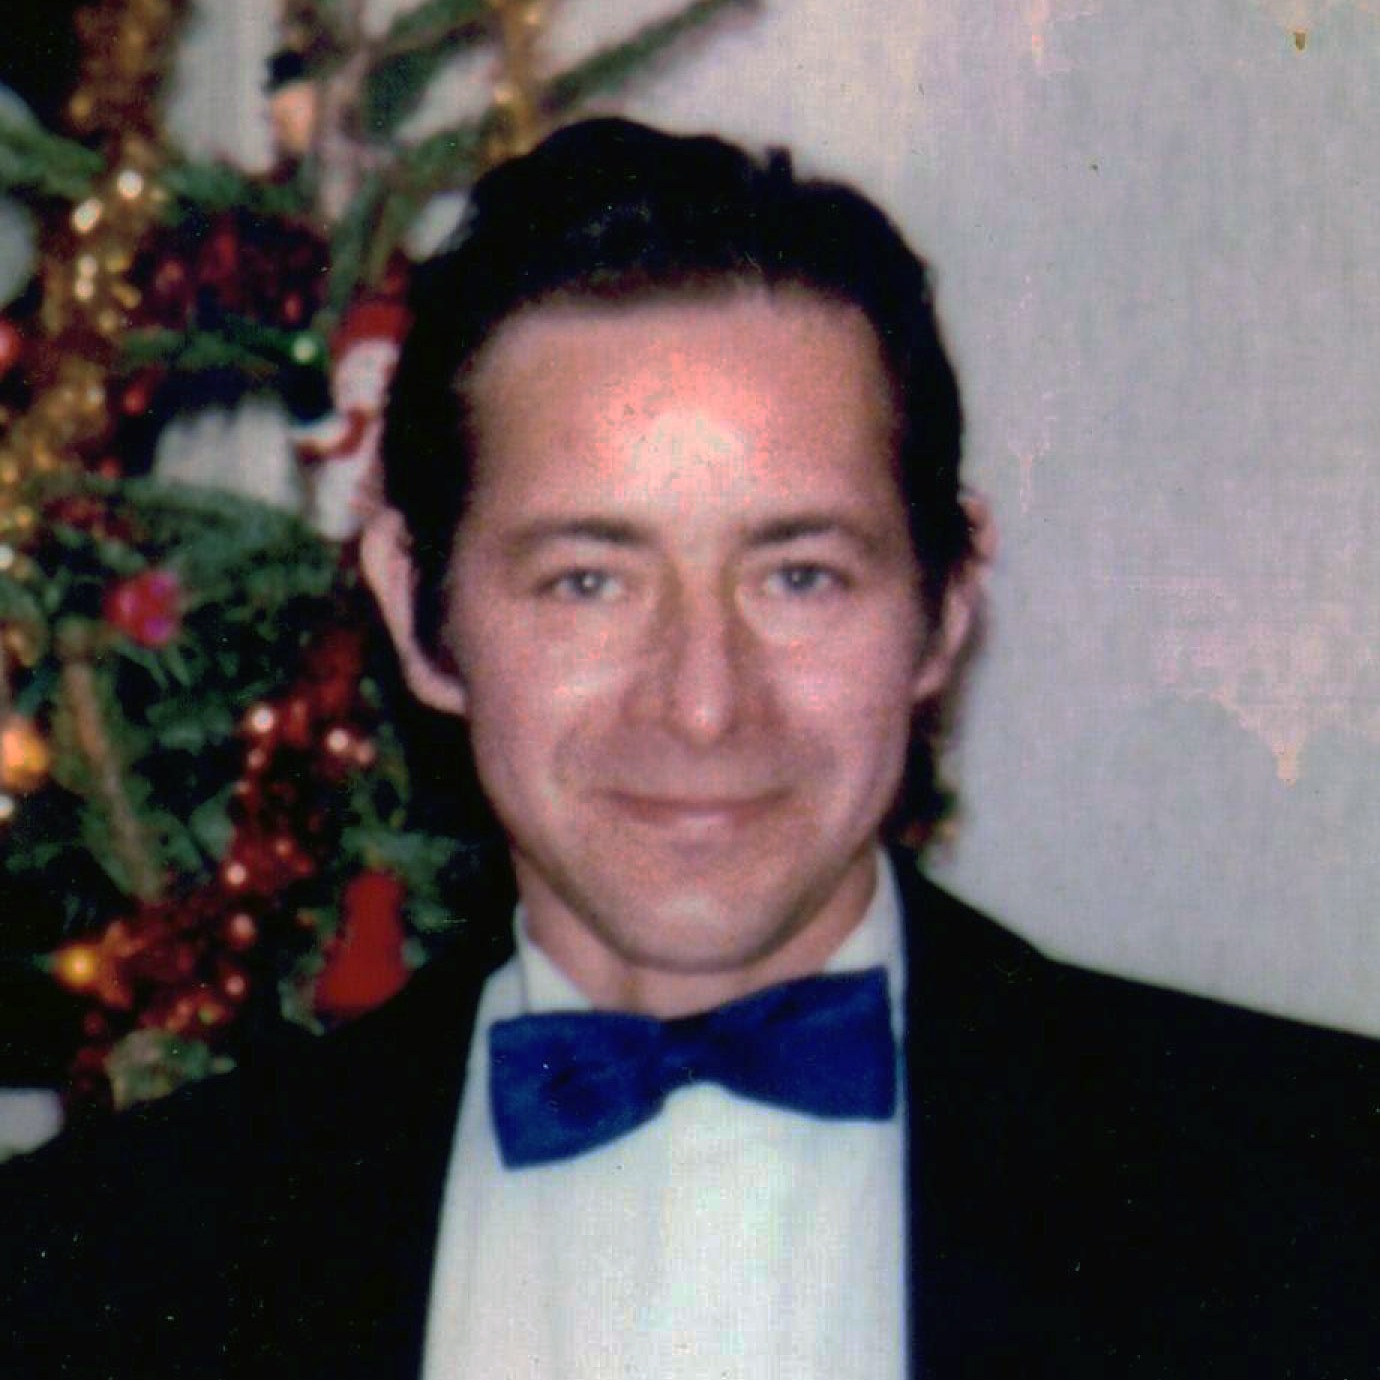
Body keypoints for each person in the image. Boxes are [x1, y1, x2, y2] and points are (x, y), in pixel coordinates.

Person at [3, 118, 1378, 1380]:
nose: (705, 705)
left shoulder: (1323, 1204)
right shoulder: (100, 1270)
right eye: (587, 581)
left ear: (946, 604)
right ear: (420, 614)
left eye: (800, 576)